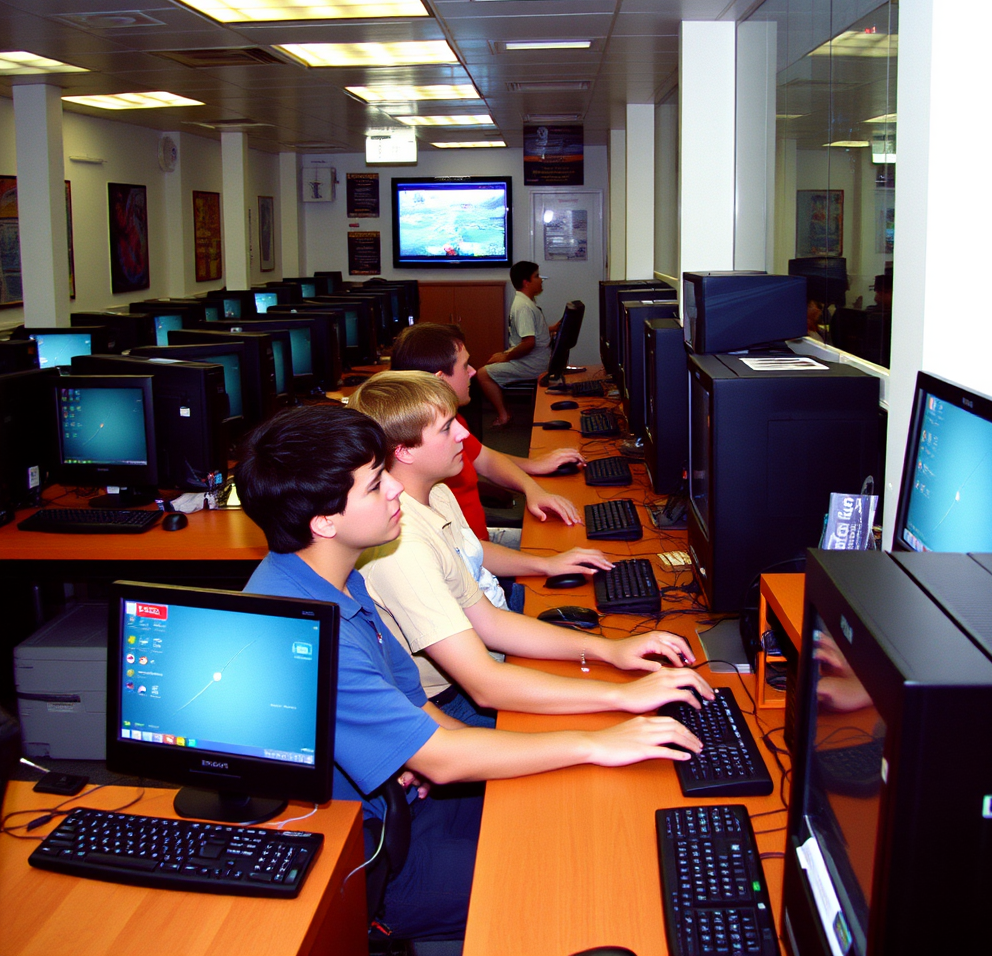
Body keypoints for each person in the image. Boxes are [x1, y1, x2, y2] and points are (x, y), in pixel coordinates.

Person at [235, 403, 708, 942]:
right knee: (589, 877)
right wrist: (596, 741)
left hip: (406, 800)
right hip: (369, 857)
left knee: (582, 810)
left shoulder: (336, 575)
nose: (394, 491)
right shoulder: (305, 629)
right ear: (324, 522)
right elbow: (441, 758)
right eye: (373, 485)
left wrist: (585, 737)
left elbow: (422, 712)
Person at [349, 370, 712, 728]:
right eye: (447, 428)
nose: (464, 433)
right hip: (451, 702)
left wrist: (610, 651)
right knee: (609, 729)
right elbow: (485, 687)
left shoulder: (436, 492)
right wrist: (620, 695)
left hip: (483, 659)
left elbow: (488, 620)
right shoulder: (403, 547)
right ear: (403, 452)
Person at [390, 320, 585, 545]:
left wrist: (533, 478)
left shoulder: (449, 422)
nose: (473, 372)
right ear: (440, 379)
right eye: (465, 366)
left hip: (479, 546)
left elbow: (484, 457)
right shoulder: (427, 447)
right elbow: (459, 555)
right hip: (471, 560)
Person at [476, 260, 557, 427]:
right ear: (526, 282)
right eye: (537, 276)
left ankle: (504, 415)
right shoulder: (524, 306)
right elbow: (529, 339)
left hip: (534, 363)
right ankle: (506, 412)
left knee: (482, 374)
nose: (541, 280)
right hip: (537, 358)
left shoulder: (524, 305)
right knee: (488, 368)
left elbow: (529, 343)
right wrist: (506, 356)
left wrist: (505, 357)